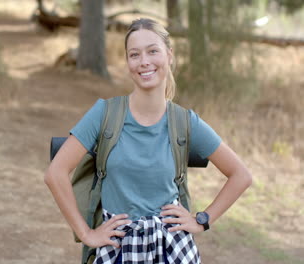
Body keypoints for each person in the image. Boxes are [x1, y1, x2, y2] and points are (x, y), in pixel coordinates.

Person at [44, 18, 252, 264]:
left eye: (153, 51)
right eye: (135, 54)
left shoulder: (184, 122)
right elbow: (55, 173)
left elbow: (241, 175)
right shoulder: (105, 114)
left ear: (169, 56)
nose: (144, 62)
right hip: (118, 247)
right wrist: (86, 233)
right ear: (128, 62)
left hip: (171, 248)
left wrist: (201, 220)